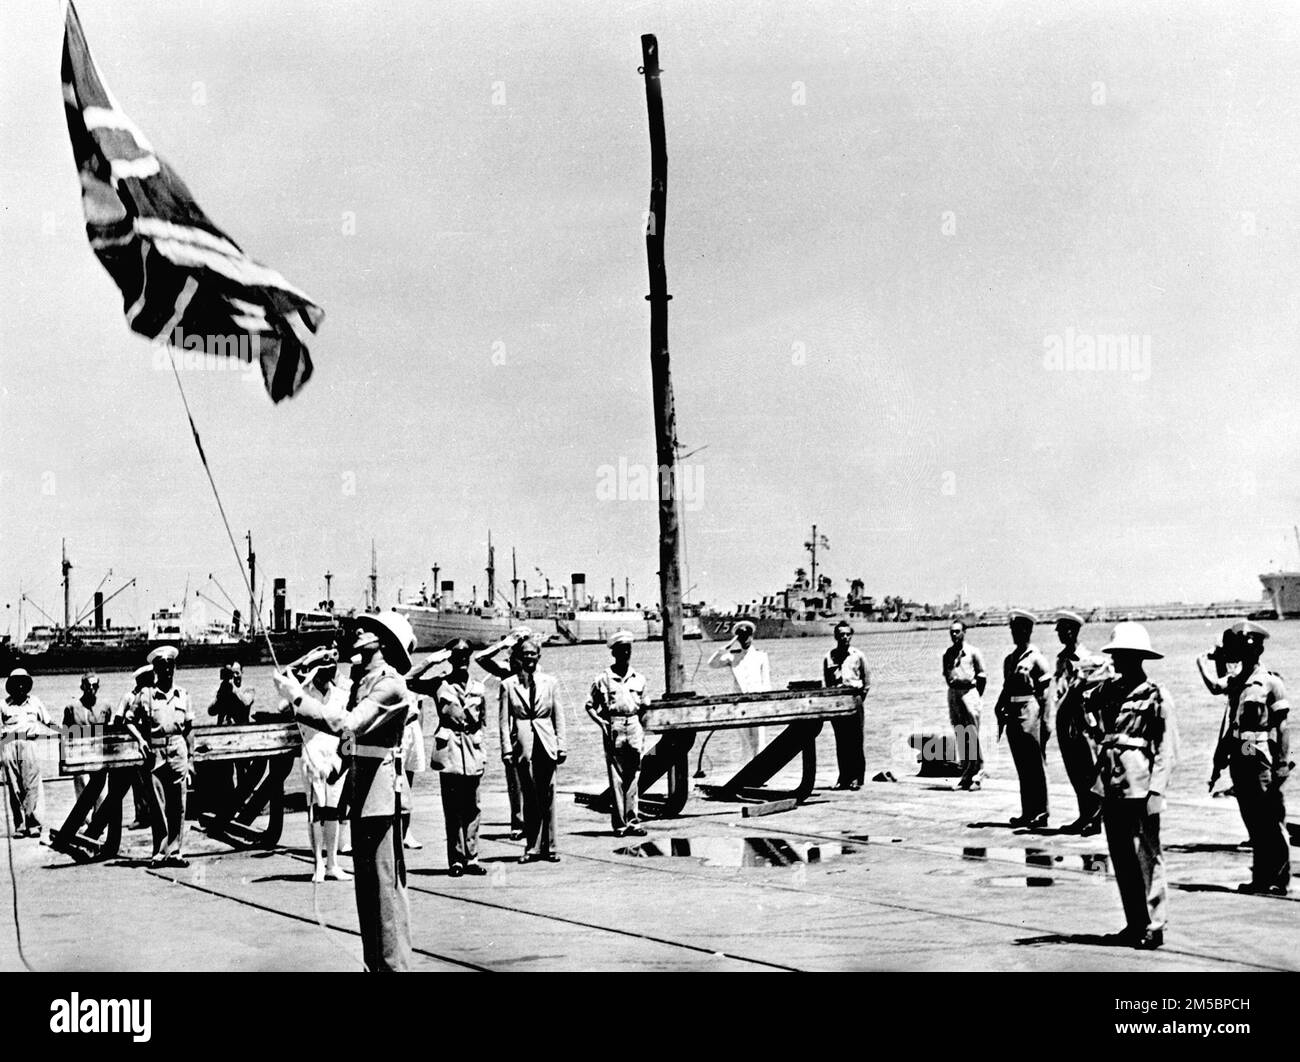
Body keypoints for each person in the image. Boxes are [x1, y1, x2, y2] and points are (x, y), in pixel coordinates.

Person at [275, 611, 416, 972]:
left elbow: (348, 724)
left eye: (369, 630)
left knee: (385, 894)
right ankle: (376, 966)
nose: (358, 632)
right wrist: (337, 767)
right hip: (362, 792)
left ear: (383, 643)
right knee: (367, 896)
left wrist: (298, 699)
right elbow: (353, 739)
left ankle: (395, 967)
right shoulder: (364, 682)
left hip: (381, 797)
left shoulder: (391, 684)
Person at [1083, 621, 1177, 949]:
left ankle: (1154, 925)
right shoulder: (1108, 690)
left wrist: (1157, 790)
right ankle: (1134, 921)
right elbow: (1080, 707)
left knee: (1147, 856)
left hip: (1140, 784)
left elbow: (1166, 749)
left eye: (1121, 654)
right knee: (1121, 856)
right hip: (1111, 782)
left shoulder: (1155, 695)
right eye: (1115, 654)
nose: (1116, 660)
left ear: (1137, 657)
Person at [1199, 620, 1292, 895]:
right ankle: (1261, 878)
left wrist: (1282, 764)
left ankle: (1279, 879)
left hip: (1259, 751)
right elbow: (1233, 726)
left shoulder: (1270, 682)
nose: (1244, 653)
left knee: (1271, 819)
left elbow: (1282, 726)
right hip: (1242, 752)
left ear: (1257, 650)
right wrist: (1220, 760)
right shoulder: (1237, 682)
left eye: (1248, 648)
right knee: (1253, 818)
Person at [498, 638, 567, 863]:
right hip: (522, 743)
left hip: (546, 741)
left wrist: (561, 745)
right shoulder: (508, 685)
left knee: (549, 793)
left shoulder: (551, 682)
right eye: (525, 654)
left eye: (533, 654)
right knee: (529, 795)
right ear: (518, 657)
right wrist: (507, 750)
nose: (529, 658)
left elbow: (559, 716)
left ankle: (551, 846)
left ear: (539, 656)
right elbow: (503, 721)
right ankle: (532, 847)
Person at [130, 646, 195, 868]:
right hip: (155, 752)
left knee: (178, 803)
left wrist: (192, 759)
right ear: (156, 669)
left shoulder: (183, 695)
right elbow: (128, 720)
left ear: (174, 668)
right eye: (162, 667)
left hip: (178, 751)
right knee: (157, 804)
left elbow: (189, 729)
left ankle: (175, 851)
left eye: (170, 666)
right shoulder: (146, 695)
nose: (167, 670)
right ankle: (160, 851)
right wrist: (140, 740)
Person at [293, 647, 350, 883]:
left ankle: (332, 864)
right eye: (323, 670)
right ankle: (318, 863)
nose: (327, 676)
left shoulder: (342, 695)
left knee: (334, 811)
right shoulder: (303, 693)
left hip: (335, 758)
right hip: (313, 758)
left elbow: (349, 730)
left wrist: (345, 760)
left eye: (331, 670)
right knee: (316, 812)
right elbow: (284, 692)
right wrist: (304, 659)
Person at [585, 631, 649, 837]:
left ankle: (633, 821)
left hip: (634, 724)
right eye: (621, 650)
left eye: (628, 650)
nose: (625, 654)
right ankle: (620, 824)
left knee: (634, 776)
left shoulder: (639, 678)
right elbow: (590, 705)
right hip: (614, 725)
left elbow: (645, 707)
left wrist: (642, 730)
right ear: (614, 653)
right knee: (617, 778)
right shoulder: (603, 679)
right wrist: (601, 723)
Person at [433, 639, 489, 876]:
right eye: (457, 657)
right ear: (450, 659)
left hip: (473, 750)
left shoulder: (479, 688)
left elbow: (483, 720)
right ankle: (456, 859)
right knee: (453, 808)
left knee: (473, 807)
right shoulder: (440, 685)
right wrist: (430, 660)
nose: (463, 661)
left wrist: (483, 749)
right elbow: (409, 680)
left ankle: (472, 857)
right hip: (450, 751)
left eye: (466, 656)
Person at [1051, 611, 1109, 835]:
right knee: (1073, 769)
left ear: (1071, 630)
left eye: (1060, 629)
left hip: (1083, 720)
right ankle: (1083, 814)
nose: (1057, 633)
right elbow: (1059, 688)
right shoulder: (1061, 659)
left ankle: (1094, 819)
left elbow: (1098, 686)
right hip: (1065, 719)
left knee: (1088, 768)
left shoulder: (1087, 659)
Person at [994, 610, 1051, 829]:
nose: (1015, 633)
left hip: (1030, 709)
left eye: (1019, 629)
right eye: (1012, 630)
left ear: (1028, 630)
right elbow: (1005, 687)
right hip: (1013, 711)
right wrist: (999, 706)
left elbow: (1045, 693)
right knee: (1022, 765)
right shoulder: (1010, 659)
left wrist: (1045, 721)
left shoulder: (1036, 658)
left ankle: (1042, 812)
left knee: (1035, 763)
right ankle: (1027, 811)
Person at [475, 627, 533, 841]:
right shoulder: (506, 670)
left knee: (534, 778)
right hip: (513, 729)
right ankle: (518, 823)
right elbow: (480, 658)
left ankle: (534, 821)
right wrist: (503, 643)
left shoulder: (535, 669)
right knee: (514, 781)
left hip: (533, 727)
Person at [707, 619, 771, 757]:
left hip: (757, 703)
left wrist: (766, 704)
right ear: (737, 638)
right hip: (740, 705)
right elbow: (712, 664)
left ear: (752, 636)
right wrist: (724, 649)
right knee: (746, 745)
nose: (745, 639)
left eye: (747, 635)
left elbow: (766, 683)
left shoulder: (761, 656)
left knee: (760, 744)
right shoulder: (732, 656)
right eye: (741, 637)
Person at [2, 669, 53, 839]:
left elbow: (48, 721)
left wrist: (67, 731)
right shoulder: (3, 704)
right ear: (12, 685)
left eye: (23, 682)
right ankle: (20, 824)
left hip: (29, 743)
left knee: (31, 784)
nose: (20, 685)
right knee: (14, 786)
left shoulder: (35, 702)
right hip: (8, 744)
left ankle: (33, 824)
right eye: (17, 682)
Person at [823, 621, 870, 791]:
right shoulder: (829, 657)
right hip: (837, 701)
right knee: (841, 741)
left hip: (854, 698)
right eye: (840, 634)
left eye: (847, 634)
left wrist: (858, 700)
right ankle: (843, 777)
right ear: (836, 636)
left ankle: (857, 778)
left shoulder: (858, 656)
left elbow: (866, 682)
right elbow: (828, 682)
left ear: (851, 635)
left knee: (856, 740)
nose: (844, 637)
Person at [941, 620, 986, 790]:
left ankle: (978, 774)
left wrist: (975, 696)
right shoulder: (948, 654)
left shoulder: (973, 652)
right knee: (960, 733)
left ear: (964, 632)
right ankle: (966, 773)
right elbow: (946, 674)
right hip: (954, 693)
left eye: (957, 631)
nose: (954, 635)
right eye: (951, 632)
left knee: (973, 734)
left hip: (970, 692)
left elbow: (982, 677)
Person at [111, 665, 156, 829]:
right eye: (149, 678)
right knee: (137, 782)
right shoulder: (129, 697)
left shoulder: (153, 696)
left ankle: (152, 814)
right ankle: (141, 816)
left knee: (151, 780)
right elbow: (118, 719)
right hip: (133, 743)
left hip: (150, 742)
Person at [63, 671, 108, 805]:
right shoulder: (71, 707)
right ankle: (83, 822)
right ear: (82, 687)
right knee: (82, 789)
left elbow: (107, 729)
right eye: (88, 686)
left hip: (99, 753)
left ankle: (99, 822)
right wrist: (65, 757)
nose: (91, 689)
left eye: (94, 686)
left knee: (101, 793)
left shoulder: (105, 706)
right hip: (79, 753)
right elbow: (65, 731)